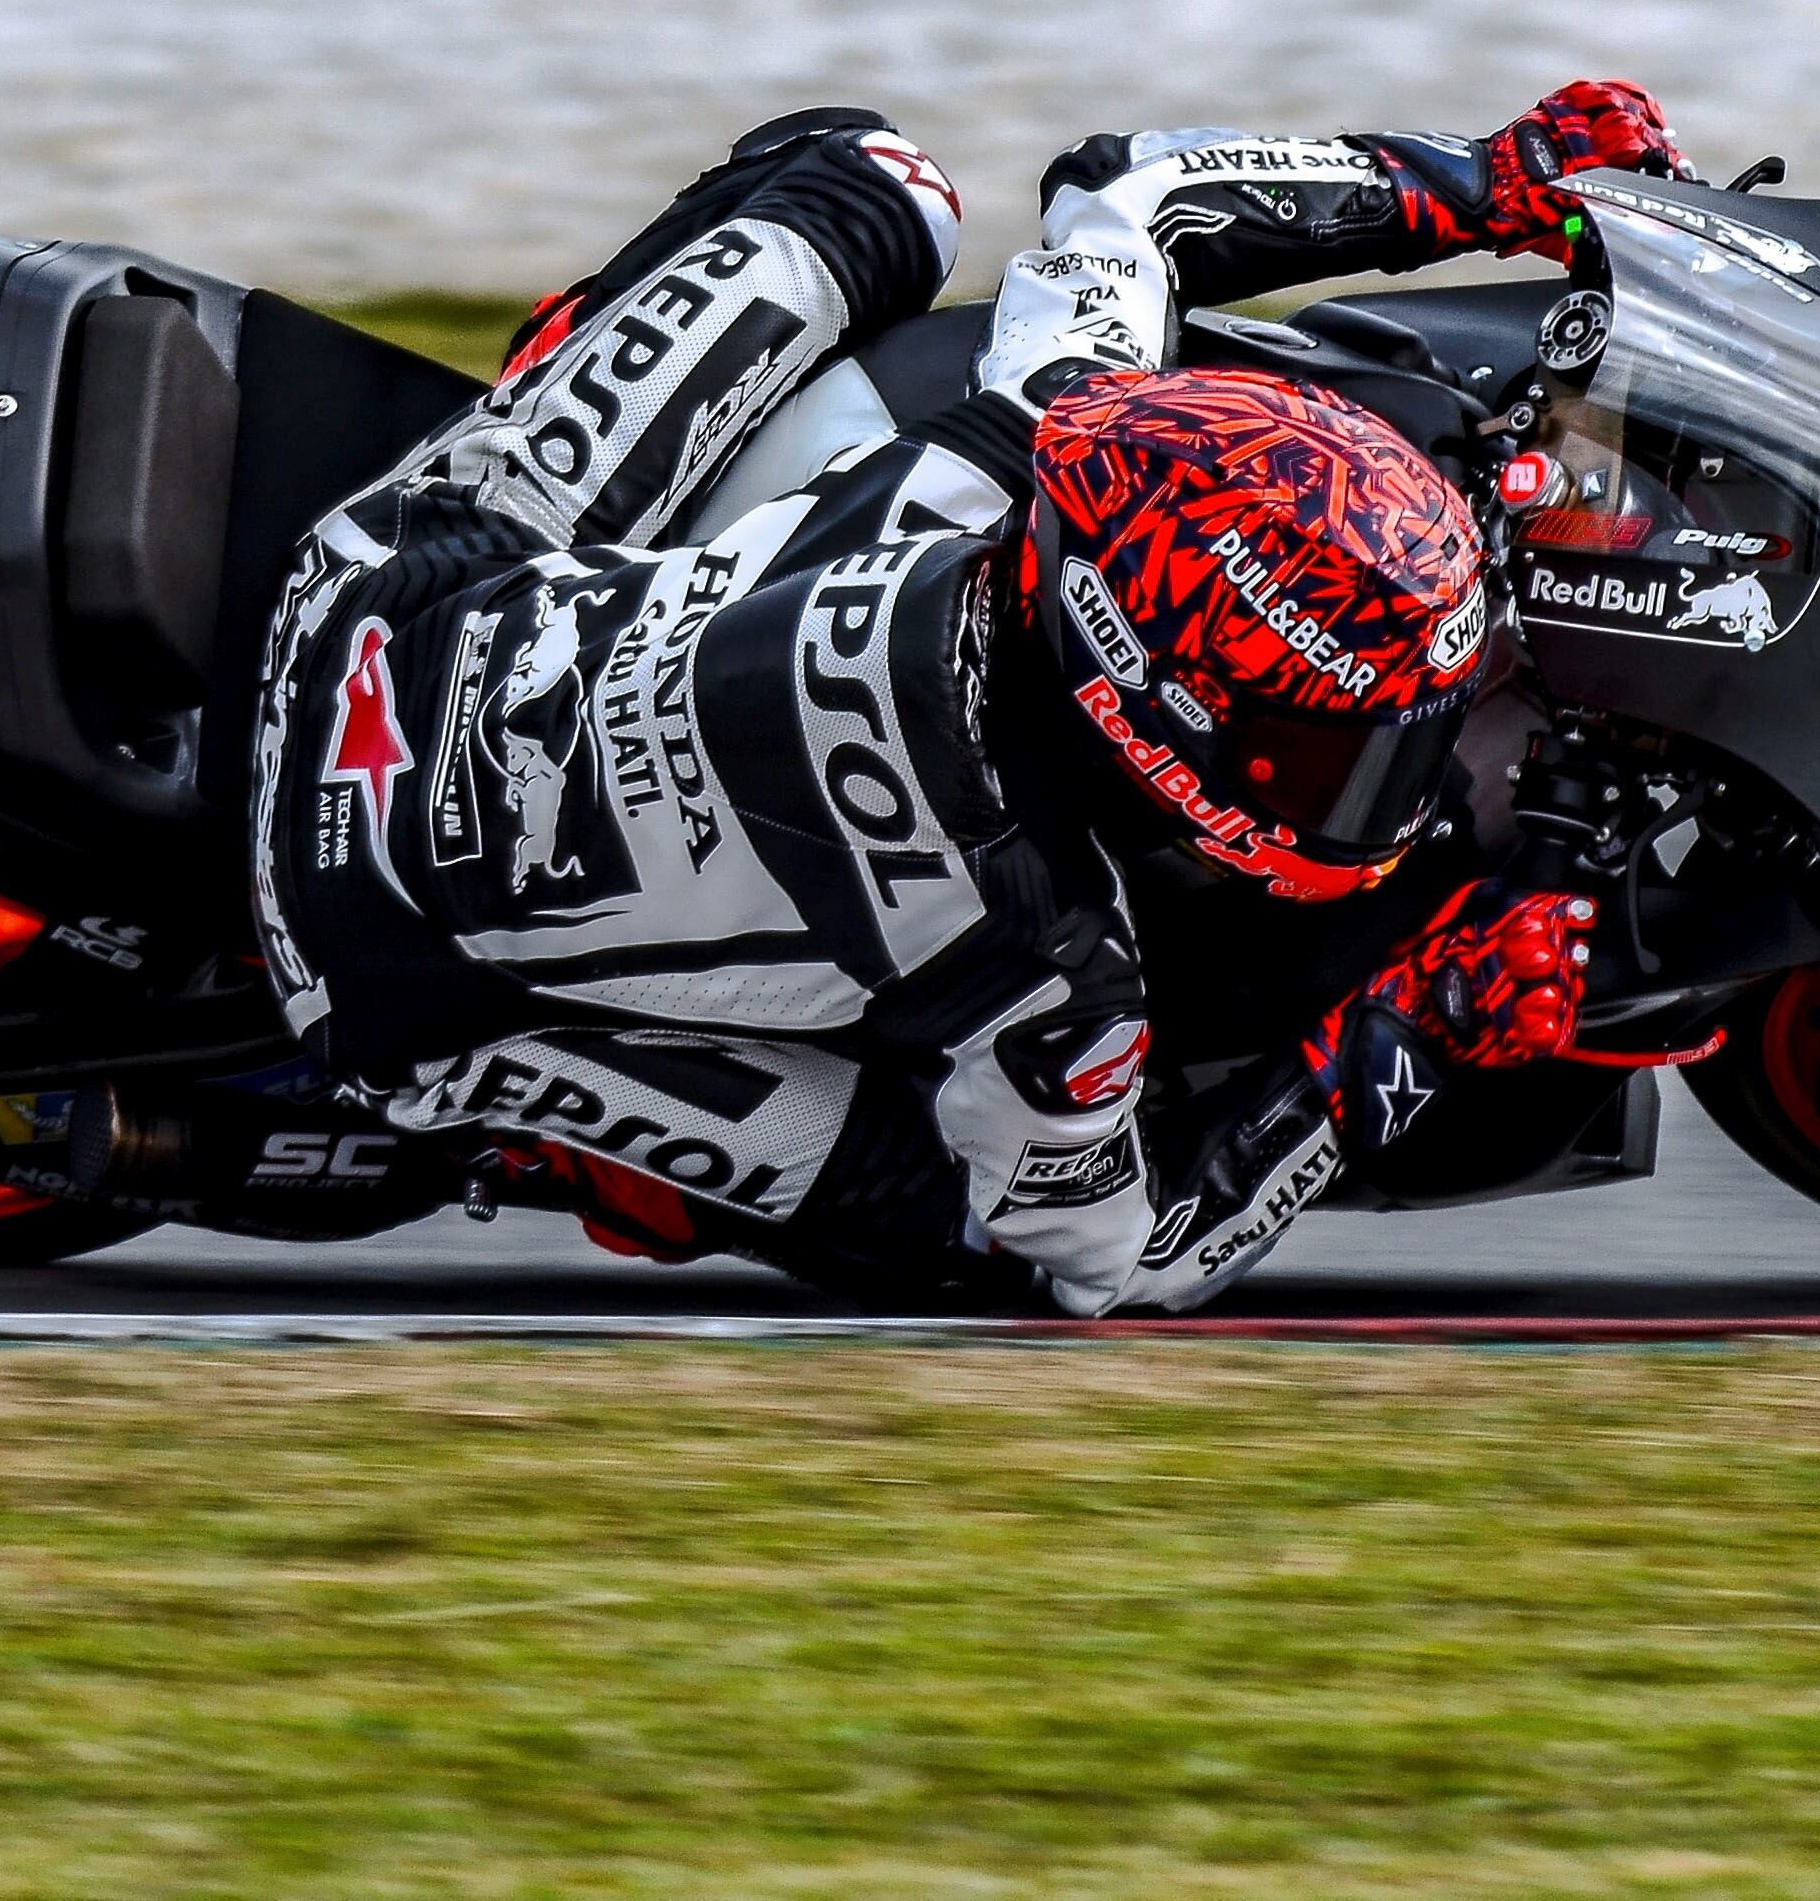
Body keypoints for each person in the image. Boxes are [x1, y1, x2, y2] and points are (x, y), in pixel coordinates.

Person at [236, 83, 1693, 1312]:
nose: (1388, 778)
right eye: (1333, 747)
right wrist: (1411, 1027)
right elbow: (1123, 1258)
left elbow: (1129, 196)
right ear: (1149, 704)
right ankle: (556, 1149)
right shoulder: (1046, 958)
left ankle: (536, 401)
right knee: (968, 1234)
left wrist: (1485, 183)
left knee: (878, 178)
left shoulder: (1050, 426)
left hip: (382, 596)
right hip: (376, 973)